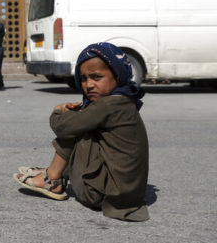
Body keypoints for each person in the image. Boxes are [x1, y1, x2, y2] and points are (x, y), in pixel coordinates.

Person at [14, 42, 149, 221]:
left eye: (96, 77)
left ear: (117, 75)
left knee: (77, 127)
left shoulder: (109, 105)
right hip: (125, 194)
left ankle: (52, 178)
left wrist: (58, 111)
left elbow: (62, 127)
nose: (89, 85)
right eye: (84, 79)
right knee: (82, 120)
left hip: (101, 194)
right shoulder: (124, 100)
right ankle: (54, 172)